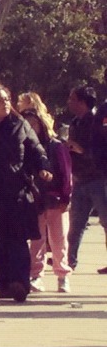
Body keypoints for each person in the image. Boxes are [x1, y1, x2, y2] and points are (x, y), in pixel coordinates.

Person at [0, 82, 49, 303]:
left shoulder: (19, 124)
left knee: (18, 240)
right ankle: (4, 283)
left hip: (17, 192)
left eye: (7, 99)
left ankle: (20, 283)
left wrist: (43, 167)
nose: (5, 103)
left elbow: (36, 149)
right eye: (0, 100)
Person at [16, 92, 72, 292]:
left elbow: (66, 173)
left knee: (59, 240)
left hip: (55, 199)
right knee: (36, 241)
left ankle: (62, 275)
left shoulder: (56, 145)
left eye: (34, 123)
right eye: (27, 124)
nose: (31, 128)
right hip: (35, 200)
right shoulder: (25, 147)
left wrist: (65, 196)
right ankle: (36, 276)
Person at [64, 85, 106, 272]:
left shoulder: (97, 121)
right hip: (80, 179)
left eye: (72, 99)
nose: (69, 102)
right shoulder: (74, 122)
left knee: (106, 221)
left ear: (82, 102)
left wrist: (81, 150)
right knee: (76, 224)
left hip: (98, 179)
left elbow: (101, 149)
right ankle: (70, 260)